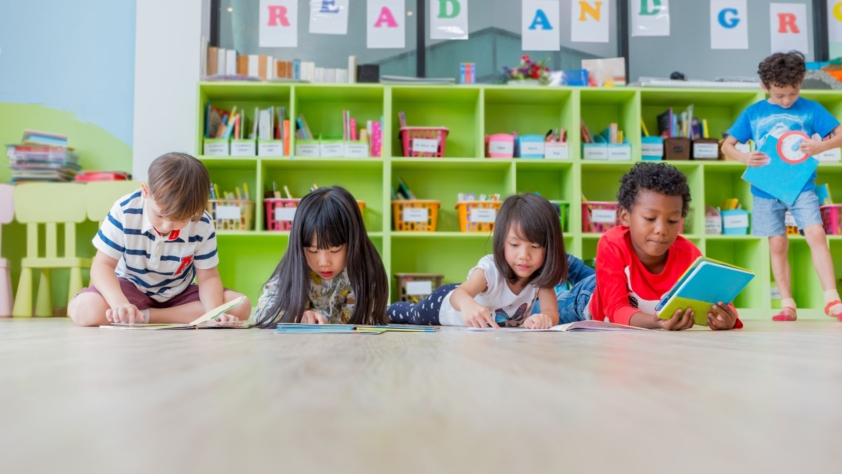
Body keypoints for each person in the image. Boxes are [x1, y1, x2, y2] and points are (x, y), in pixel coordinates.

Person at [721, 51, 842, 321]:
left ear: (800, 83)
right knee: (777, 243)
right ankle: (787, 304)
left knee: (816, 234)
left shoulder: (811, 109)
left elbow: (840, 134)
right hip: (765, 188)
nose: (787, 100)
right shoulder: (753, 113)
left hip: (802, 185)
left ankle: (832, 299)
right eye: (779, 95)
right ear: (765, 87)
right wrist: (744, 156)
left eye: (793, 92)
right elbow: (727, 145)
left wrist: (822, 145)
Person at [68, 152, 250, 326]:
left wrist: (214, 314)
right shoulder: (125, 210)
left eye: (181, 220)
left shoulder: (202, 222)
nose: (166, 226)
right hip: (130, 288)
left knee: (241, 305)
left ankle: (145, 317)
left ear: (196, 210)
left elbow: (208, 278)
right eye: (160, 215)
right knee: (85, 309)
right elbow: (102, 265)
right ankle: (133, 313)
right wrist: (119, 304)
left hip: (179, 294)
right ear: (145, 191)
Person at [562, 163, 742, 330]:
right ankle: (560, 260)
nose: (661, 230)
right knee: (540, 310)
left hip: (612, 277)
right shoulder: (612, 243)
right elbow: (616, 309)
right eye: (650, 218)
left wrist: (728, 318)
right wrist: (655, 321)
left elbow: (720, 301)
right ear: (625, 216)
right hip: (587, 297)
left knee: (591, 274)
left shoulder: (689, 254)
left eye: (672, 221)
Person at [387, 193, 567, 329]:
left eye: (535, 247)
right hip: (443, 305)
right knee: (413, 314)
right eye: (514, 244)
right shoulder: (490, 269)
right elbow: (459, 294)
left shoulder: (540, 276)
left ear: (549, 248)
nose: (524, 255)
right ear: (501, 241)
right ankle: (384, 310)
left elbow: (551, 312)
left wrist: (545, 319)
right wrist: (467, 304)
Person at [255, 186, 388, 327]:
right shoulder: (294, 266)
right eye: (312, 251)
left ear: (353, 242)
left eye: (335, 250)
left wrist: (318, 319)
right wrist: (296, 316)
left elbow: (363, 319)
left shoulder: (365, 271)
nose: (324, 262)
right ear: (299, 246)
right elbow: (263, 312)